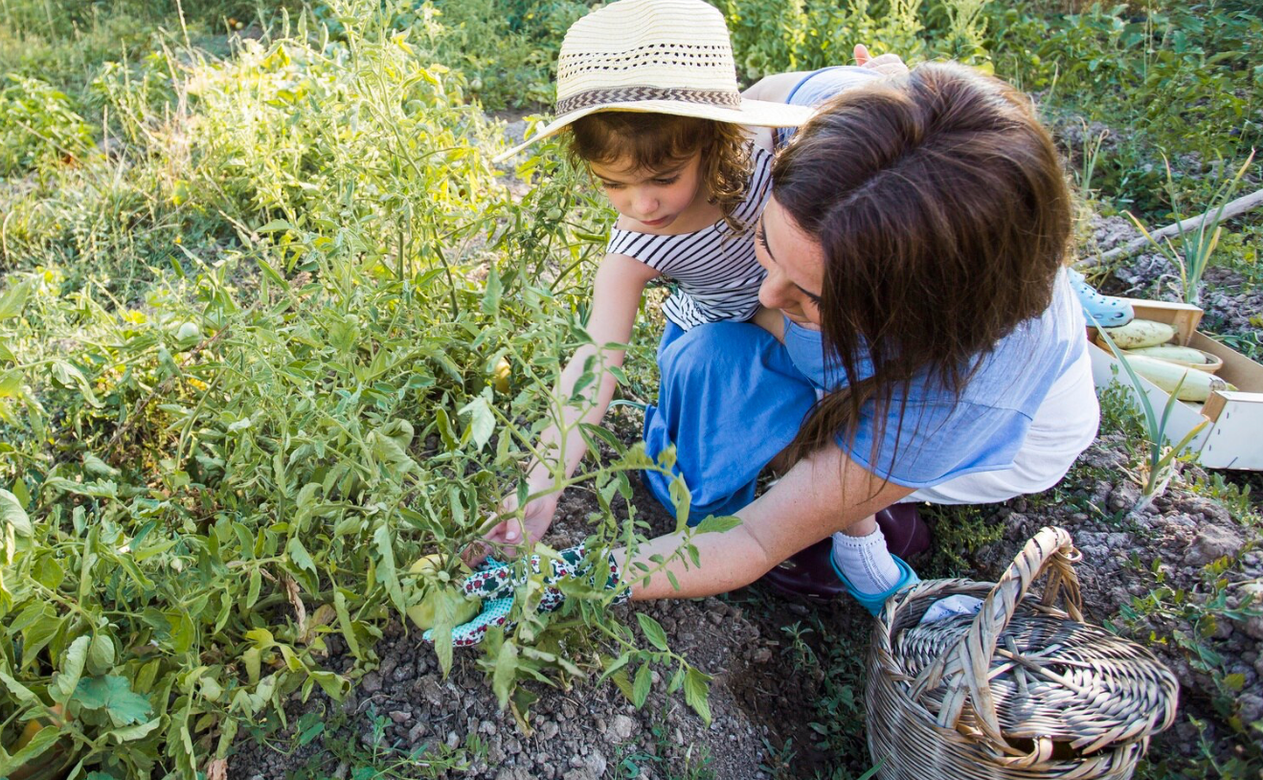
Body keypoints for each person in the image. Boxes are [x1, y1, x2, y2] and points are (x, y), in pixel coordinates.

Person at [444, 61, 1098, 644]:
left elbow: (756, 536)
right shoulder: (845, 125)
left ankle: (866, 525)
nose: (763, 292)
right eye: (766, 241)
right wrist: (541, 486)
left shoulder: (950, 398)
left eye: (810, 293)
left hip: (1012, 436)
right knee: (728, 358)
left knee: (813, 520)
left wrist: (575, 575)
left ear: (898, 317)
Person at [493, 0, 813, 546]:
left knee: (832, 364)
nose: (642, 206)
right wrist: (538, 492)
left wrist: (881, 76)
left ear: (716, 140)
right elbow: (593, 364)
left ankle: (835, 493)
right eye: (612, 184)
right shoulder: (635, 251)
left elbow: (799, 88)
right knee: (691, 487)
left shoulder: (775, 154)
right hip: (713, 339)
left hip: (798, 314)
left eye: (664, 178)